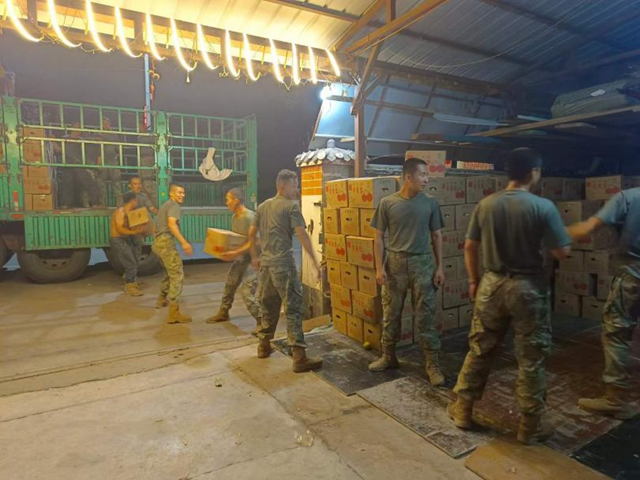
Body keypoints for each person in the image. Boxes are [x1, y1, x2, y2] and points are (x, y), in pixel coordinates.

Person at [447, 148, 572, 445]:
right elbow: (561, 252)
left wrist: (474, 280)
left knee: (480, 349)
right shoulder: (543, 206)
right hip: (528, 288)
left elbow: (469, 246)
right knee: (531, 357)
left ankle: (463, 410)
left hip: (491, 285)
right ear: (533, 173)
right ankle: (529, 426)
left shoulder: (486, 204)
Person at [368, 158, 447, 386]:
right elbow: (378, 237)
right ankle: (388, 356)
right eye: (423, 174)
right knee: (391, 313)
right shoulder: (387, 203)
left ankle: (432, 364)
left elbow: (436, 236)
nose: (426, 179)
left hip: (423, 264)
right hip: (395, 264)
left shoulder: (430, 203)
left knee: (426, 315)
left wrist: (440, 267)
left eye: (427, 174)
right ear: (408, 177)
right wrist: (379, 268)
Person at [568, 186, 640, 419]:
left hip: (634, 276)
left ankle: (616, 400)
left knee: (617, 332)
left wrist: (550, 231)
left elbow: (588, 227)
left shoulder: (628, 198)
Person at [248, 169, 323, 373]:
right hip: (284, 266)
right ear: (283, 186)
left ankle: (263, 346)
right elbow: (302, 235)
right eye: (294, 186)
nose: (296, 190)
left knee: (268, 307)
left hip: (266, 267)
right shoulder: (291, 207)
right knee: (293, 309)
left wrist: (255, 257)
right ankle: (299, 357)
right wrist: (315, 262)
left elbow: (251, 234)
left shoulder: (263, 206)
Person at [206, 188, 262, 335]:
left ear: (236, 201)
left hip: (255, 260)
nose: (226, 203)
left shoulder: (250, 217)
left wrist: (235, 253)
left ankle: (262, 321)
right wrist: (228, 252)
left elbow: (256, 242)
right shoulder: (235, 218)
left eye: (228, 199)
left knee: (247, 292)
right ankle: (223, 313)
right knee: (230, 285)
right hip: (242, 258)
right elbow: (238, 241)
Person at [153, 183, 193, 324]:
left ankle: (161, 299)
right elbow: (171, 224)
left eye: (183, 193)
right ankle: (174, 313)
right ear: (171, 193)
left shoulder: (166, 205)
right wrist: (184, 242)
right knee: (177, 274)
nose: (182, 195)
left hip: (158, 243)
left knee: (169, 272)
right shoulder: (174, 206)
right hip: (166, 243)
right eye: (179, 192)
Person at [110, 192, 147, 296]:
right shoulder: (120, 212)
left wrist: (140, 229)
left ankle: (132, 279)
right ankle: (129, 286)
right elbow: (120, 229)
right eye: (136, 200)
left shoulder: (129, 213)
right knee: (131, 264)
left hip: (125, 239)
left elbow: (130, 228)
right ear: (133, 200)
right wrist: (133, 232)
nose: (137, 202)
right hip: (118, 240)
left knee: (134, 260)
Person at [94, 117, 123, 206]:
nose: (105, 125)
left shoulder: (114, 135)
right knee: (100, 183)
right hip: (102, 161)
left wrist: (117, 155)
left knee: (117, 182)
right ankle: (102, 203)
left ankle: (119, 204)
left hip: (113, 161)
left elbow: (118, 148)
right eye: (104, 123)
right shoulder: (97, 134)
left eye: (107, 123)